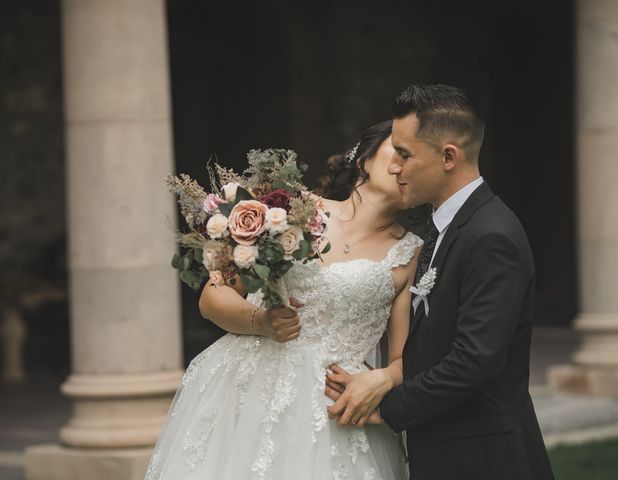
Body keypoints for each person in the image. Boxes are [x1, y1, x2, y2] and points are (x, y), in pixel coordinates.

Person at [143, 120, 423, 480]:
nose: (403, 164)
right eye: (397, 151)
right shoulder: (292, 210)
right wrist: (261, 321)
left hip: (332, 412)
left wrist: (382, 379)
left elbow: (404, 358)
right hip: (246, 395)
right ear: (364, 158)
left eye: (413, 157)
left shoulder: (410, 252)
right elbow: (211, 298)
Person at [325, 84, 555, 479]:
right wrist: (379, 377)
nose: (394, 166)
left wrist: (385, 406)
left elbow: (473, 361)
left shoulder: (491, 236)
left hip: (484, 459)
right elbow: (433, 340)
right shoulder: (442, 227)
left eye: (405, 154)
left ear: (449, 156)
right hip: (447, 450)